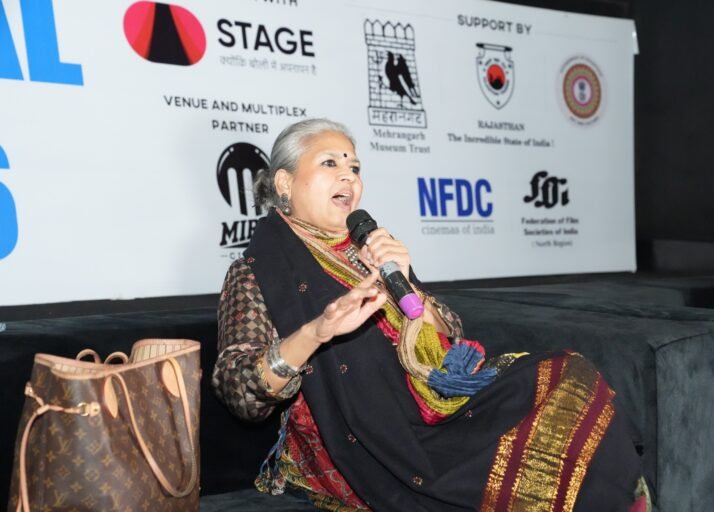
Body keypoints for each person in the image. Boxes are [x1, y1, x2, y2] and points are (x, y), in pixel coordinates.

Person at [212, 118, 650, 511]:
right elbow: (239, 392)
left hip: (436, 401)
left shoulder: (372, 249)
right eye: (330, 163)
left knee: (570, 376)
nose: (349, 175)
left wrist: (406, 281)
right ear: (284, 183)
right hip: (365, 440)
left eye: (355, 167)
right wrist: (317, 331)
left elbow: (451, 336)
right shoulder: (255, 272)